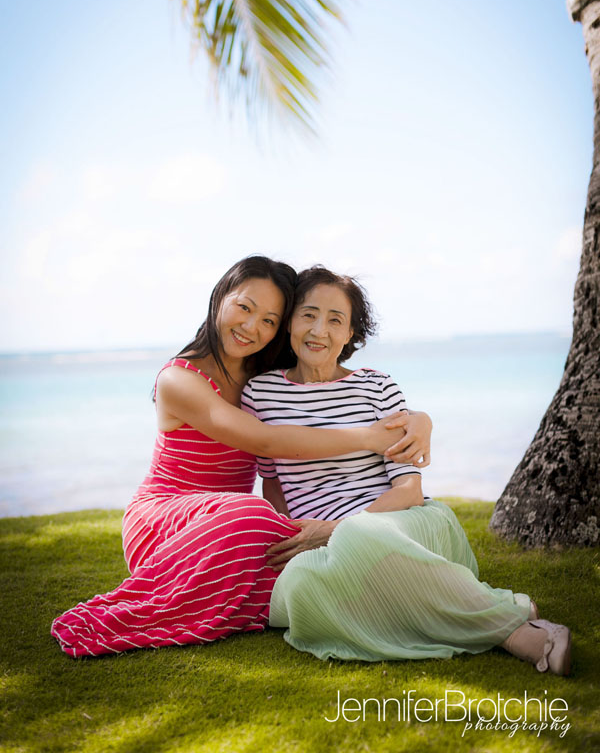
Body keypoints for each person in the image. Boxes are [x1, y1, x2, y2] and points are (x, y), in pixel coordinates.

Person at [51, 255, 430, 657]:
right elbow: (266, 443)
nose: (252, 327)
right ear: (220, 299)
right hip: (167, 522)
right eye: (245, 308)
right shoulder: (178, 379)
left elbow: (321, 399)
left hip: (234, 528)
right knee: (254, 514)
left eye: (269, 320)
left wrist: (419, 420)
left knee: (291, 546)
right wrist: (369, 438)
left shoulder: (260, 380)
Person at [241, 265, 571, 675]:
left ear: (350, 335)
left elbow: (409, 492)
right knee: (302, 588)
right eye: (308, 314)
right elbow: (272, 485)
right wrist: (299, 533)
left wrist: (339, 528)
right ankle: (507, 608)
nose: (318, 330)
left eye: (335, 320)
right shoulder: (260, 393)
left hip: (404, 523)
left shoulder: (378, 386)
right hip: (323, 547)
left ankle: (518, 635)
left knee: (358, 535)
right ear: (290, 320)